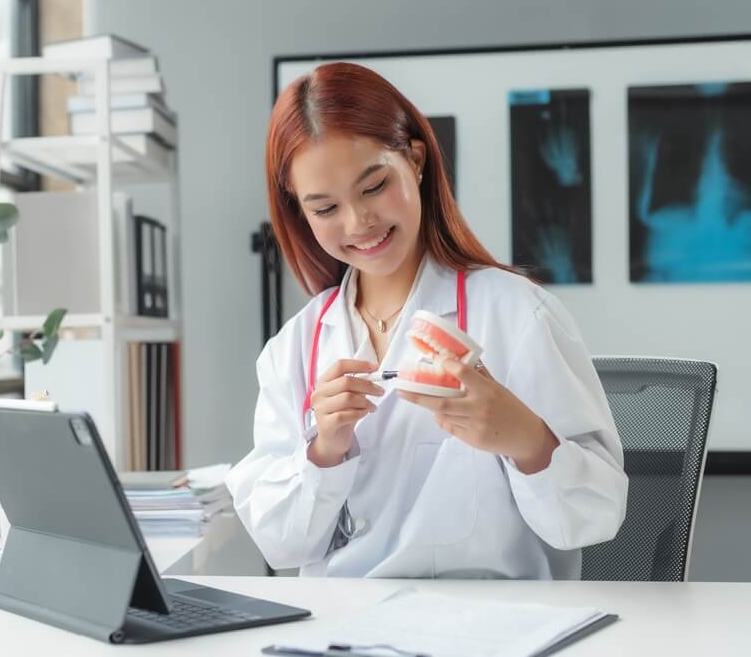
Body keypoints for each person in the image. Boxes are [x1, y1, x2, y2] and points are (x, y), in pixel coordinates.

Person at [224, 62, 628, 579]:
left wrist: (526, 439)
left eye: (373, 187)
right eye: (325, 209)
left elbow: (596, 517)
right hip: (343, 631)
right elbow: (280, 546)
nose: (358, 223)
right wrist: (324, 451)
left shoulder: (515, 313)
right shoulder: (295, 346)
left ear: (415, 160)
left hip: (487, 628)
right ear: (300, 213)